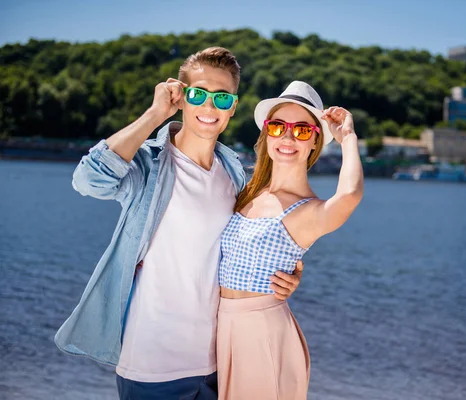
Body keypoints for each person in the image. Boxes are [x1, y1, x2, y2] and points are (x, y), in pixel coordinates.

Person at [54, 47, 304, 400]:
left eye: (221, 98)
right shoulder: (149, 167)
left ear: (233, 106)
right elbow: (88, 180)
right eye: (198, 94)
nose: (209, 106)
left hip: (220, 362)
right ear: (182, 98)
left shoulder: (232, 174)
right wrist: (155, 114)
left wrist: (285, 274)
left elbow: (245, 247)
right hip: (153, 368)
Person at [216, 81, 364, 400]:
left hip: (262, 334)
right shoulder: (246, 193)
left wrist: (348, 138)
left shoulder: (308, 211)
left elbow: (350, 195)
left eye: (301, 130)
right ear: (266, 134)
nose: (287, 137)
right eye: (278, 126)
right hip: (219, 327)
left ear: (314, 142)